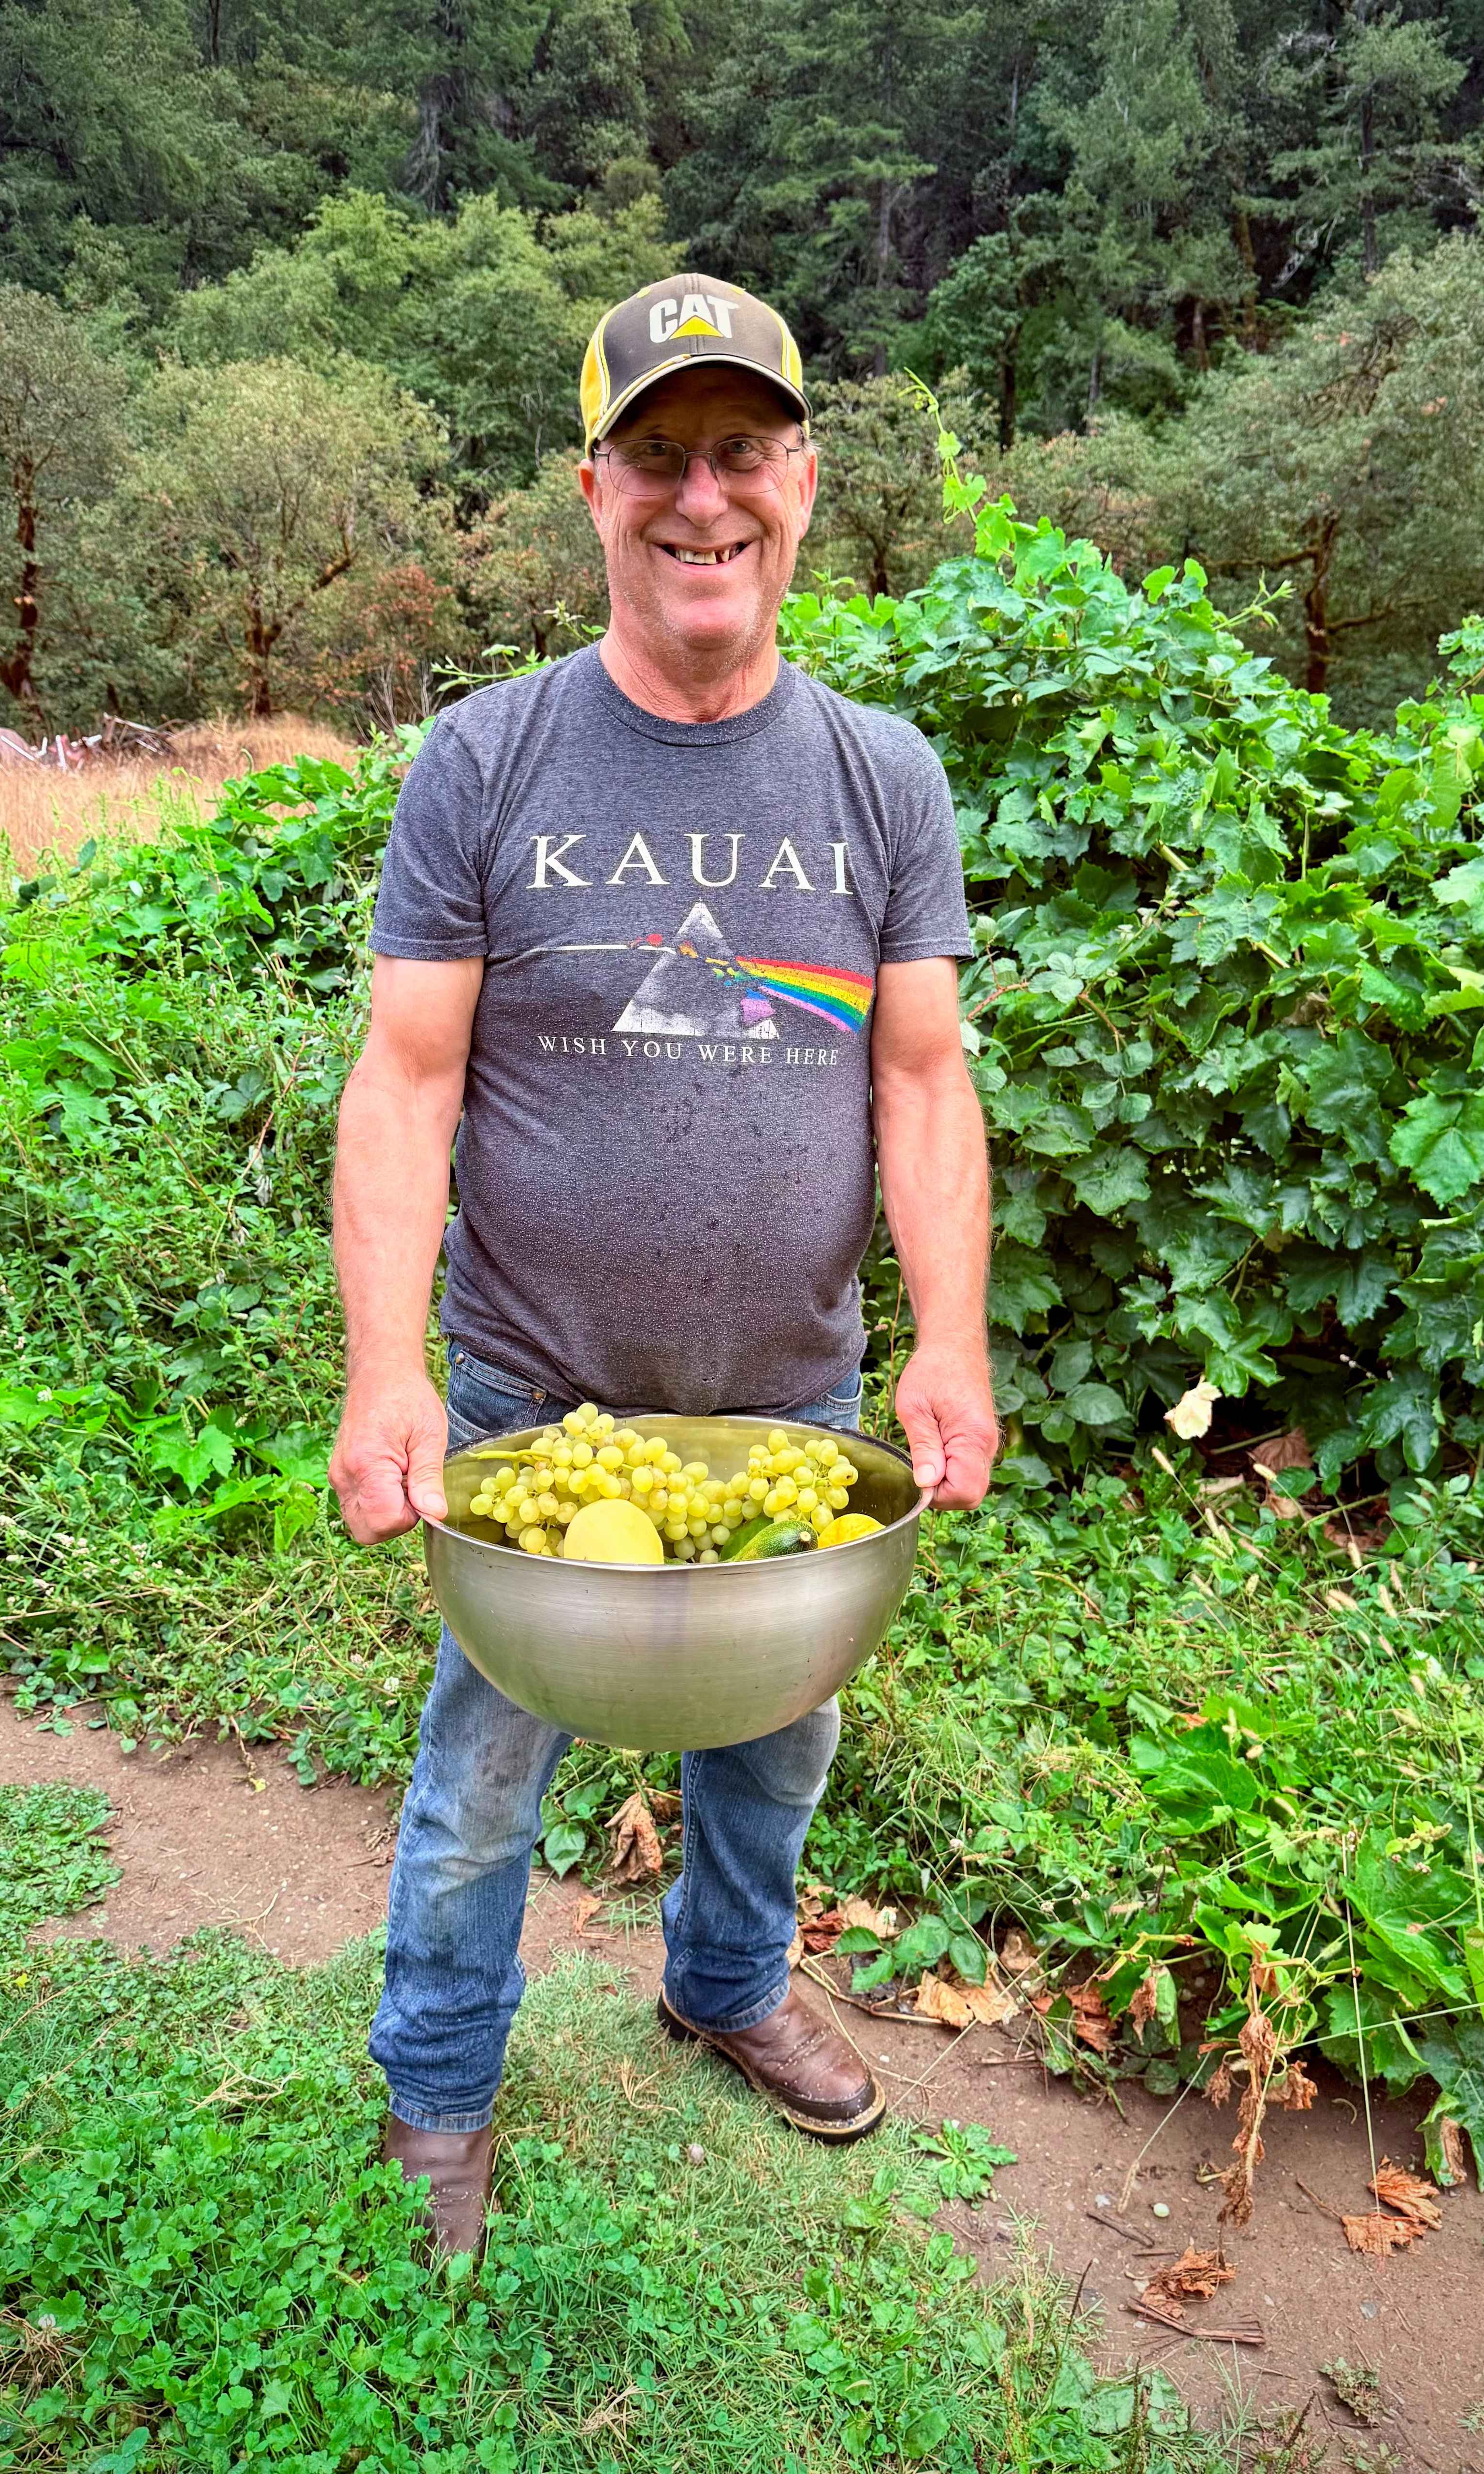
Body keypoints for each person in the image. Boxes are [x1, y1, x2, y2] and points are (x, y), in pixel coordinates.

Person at [329, 273, 999, 2257]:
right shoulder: (488, 760)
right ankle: (441, 2083)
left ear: (801, 480)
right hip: (538, 1400)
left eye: (741, 453)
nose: (700, 499)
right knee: (479, 1769)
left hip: (790, 1397)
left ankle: (726, 1978)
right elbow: (405, 1081)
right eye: (658, 458)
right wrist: (389, 1369)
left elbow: (927, 1079)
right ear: (593, 487)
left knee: (778, 1740)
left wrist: (947, 1337)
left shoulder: (885, 777)